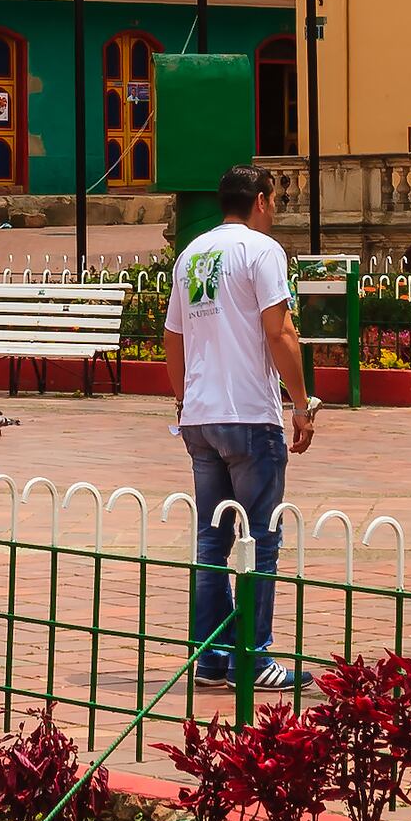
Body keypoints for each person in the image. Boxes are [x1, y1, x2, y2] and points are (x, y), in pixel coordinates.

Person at [166, 164, 315, 695]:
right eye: (274, 200)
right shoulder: (261, 251)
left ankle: (211, 657)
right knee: (261, 540)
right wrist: (301, 403)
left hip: (200, 416)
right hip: (250, 413)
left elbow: (173, 339)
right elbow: (281, 333)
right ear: (258, 200)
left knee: (212, 541)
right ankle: (253, 659)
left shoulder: (192, 254)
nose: (275, 209)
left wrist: (185, 400)